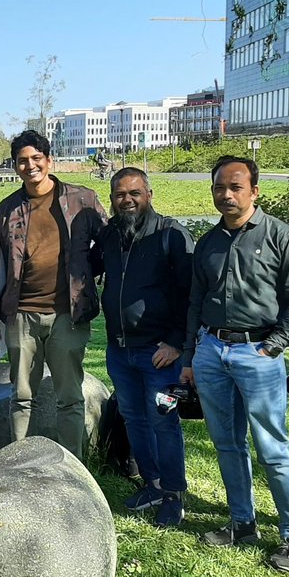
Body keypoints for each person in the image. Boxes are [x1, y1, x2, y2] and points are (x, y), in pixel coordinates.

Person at [181, 156, 289, 573]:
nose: (226, 194)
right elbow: (194, 302)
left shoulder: (281, 237)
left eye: (236, 186)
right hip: (211, 351)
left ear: (254, 191)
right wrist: (191, 356)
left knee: (273, 447)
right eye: (220, 187)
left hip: (258, 353)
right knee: (227, 444)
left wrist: (274, 346)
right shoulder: (207, 243)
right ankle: (242, 523)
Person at [0, 129, 107, 459]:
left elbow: (108, 241)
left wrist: (86, 274)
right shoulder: (7, 209)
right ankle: (18, 464)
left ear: (49, 160)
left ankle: (72, 467)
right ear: (15, 166)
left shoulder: (81, 199)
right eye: (22, 161)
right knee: (21, 394)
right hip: (21, 315)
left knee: (69, 396)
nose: (30, 166)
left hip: (66, 315)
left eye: (36, 159)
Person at [99, 168, 194, 527]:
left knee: (164, 420)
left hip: (160, 354)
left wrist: (175, 342)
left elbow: (190, 293)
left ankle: (173, 494)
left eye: (135, 193)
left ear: (149, 194)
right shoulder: (111, 235)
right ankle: (152, 484)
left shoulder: (171, 235)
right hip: (120, 351)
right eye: (120, 194)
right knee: (135, 419)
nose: (128, 200)